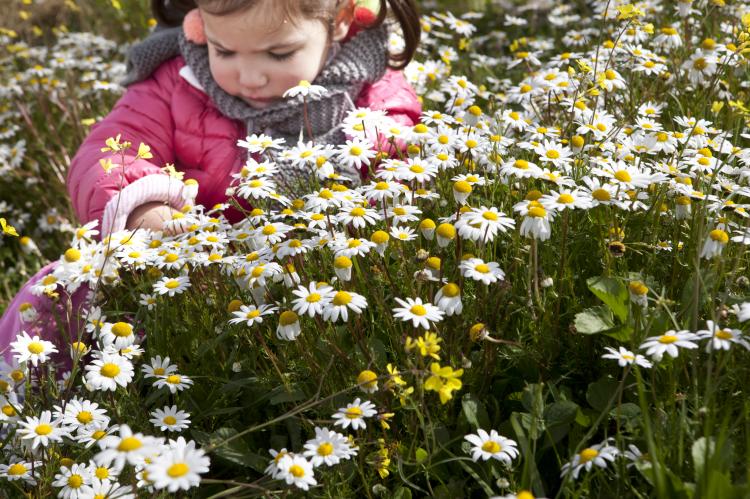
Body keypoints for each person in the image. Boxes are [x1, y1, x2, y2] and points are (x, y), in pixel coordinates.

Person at [0, 0, 422, 364]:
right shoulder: (175, 80)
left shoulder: (372, 97)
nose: (249, 76)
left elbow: (402, 181)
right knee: (61, 290)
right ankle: (24, 410)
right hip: (186, 280)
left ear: (343, 20)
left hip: (321, 290)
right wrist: (145, 207)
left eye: (279, 54)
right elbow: (111, 149)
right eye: (225, 50)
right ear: (198, 25)